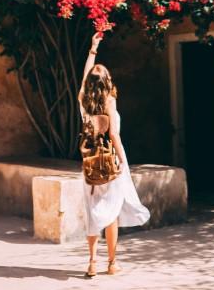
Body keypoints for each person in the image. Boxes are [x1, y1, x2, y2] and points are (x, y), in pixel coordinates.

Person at [77, 31, 151, 278]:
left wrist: (93, 48)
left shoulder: (83, 101)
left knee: (92, 213)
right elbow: (115, 136)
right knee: (110, 214)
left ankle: (91, 263)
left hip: (89, 164)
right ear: (107, 81)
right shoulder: (109, 103)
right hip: (109, 162)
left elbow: (86, 77)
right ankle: (111, 263)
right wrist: (123, 161)